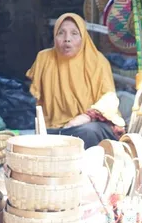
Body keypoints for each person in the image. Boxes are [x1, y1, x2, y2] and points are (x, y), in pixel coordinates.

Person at [26, 13, 125, 149]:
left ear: (83, 37)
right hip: (57, 128)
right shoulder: (45, 59)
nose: (67, 39)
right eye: (61, 33)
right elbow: (38, 100)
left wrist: (85, 117)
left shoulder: (96, 61)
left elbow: (109, 98)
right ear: (54, 36)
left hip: (90, 124)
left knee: (88, 133)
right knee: (41, 140)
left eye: (74, 33)